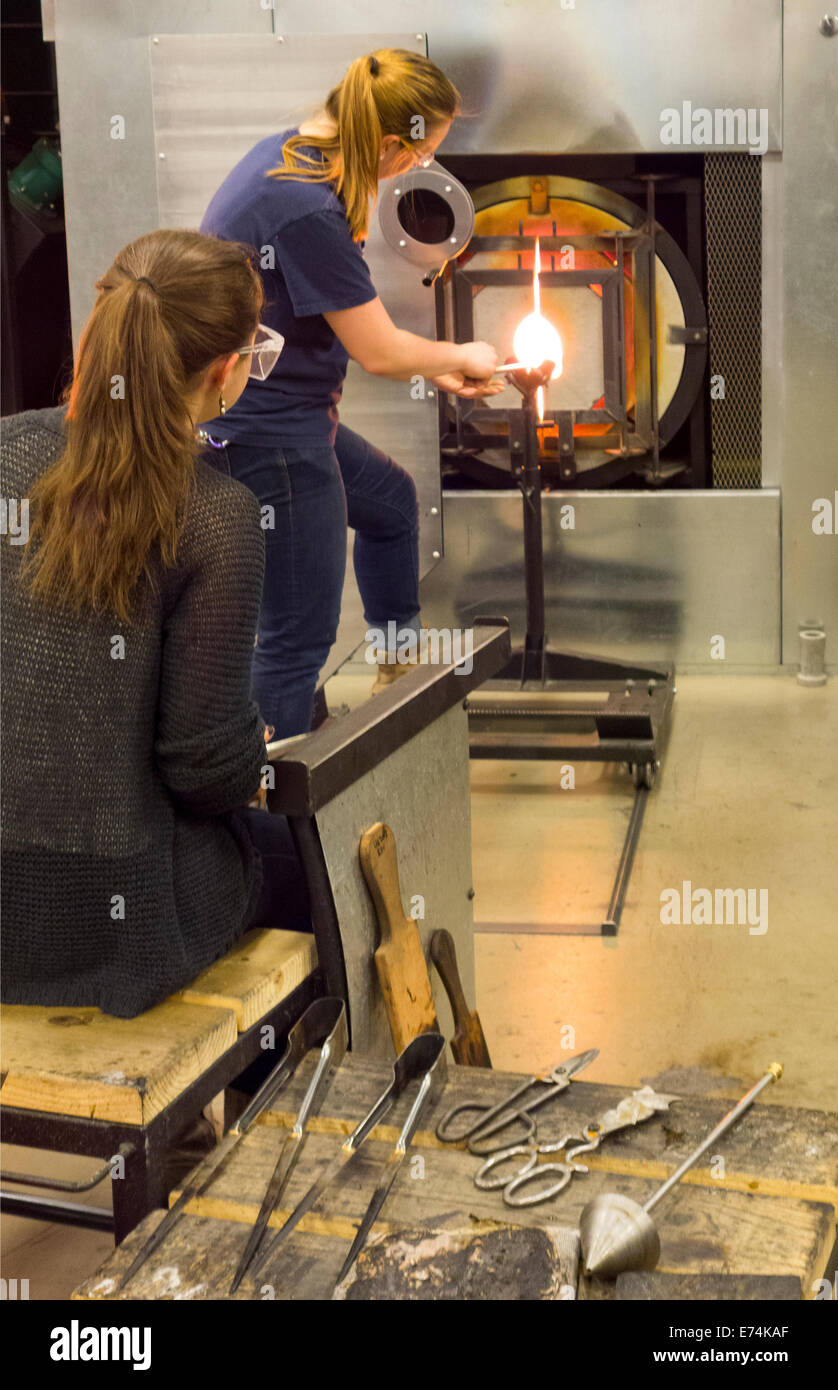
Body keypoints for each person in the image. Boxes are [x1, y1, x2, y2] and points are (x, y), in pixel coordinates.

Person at [0, 228, 311, 1020]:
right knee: (315, 861)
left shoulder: (4, 453)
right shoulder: (215, 516)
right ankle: (253, 1122)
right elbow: (204, 769)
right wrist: (253, 746)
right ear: (225, 373)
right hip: (110, 918)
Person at [200, 47, 504, 738]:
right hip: (267, 438)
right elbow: (378, 349)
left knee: (392, 503)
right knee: (295, 642)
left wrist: (433, 368)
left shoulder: (294, 154)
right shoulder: (303, 207)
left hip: (287, 419)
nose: (419, 168)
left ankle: (397, 674)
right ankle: (267, 822)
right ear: (391, 140)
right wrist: (461, 353)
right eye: (421, 154)